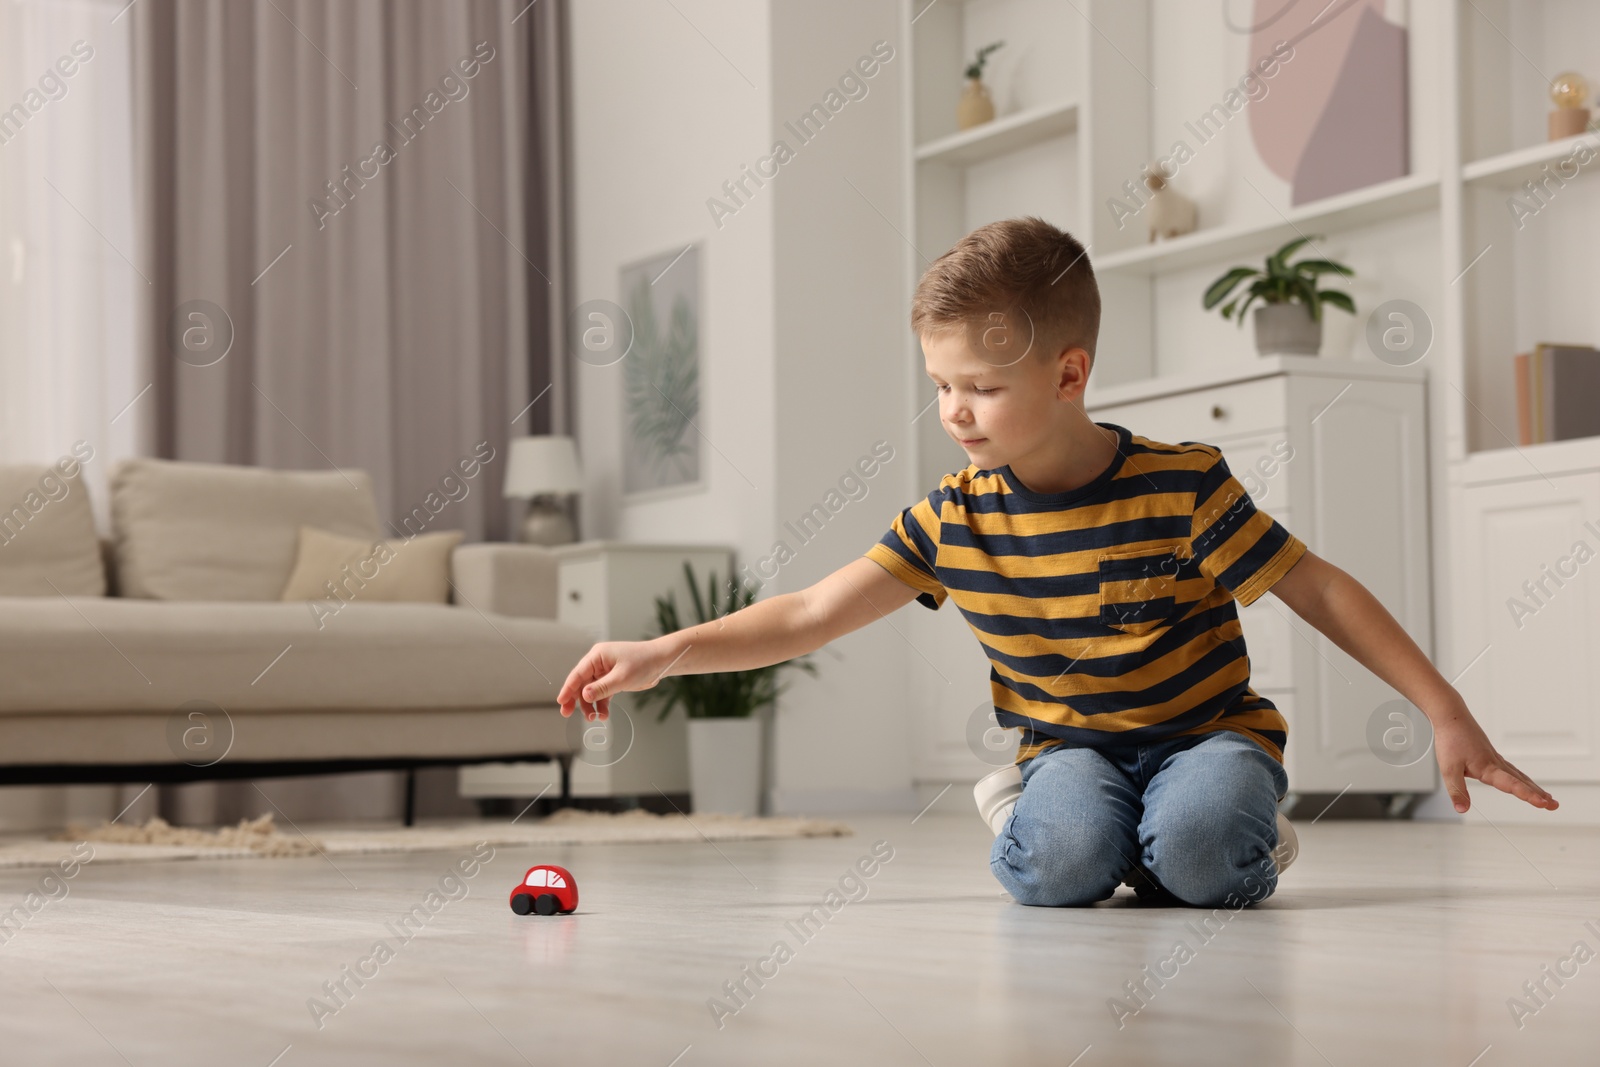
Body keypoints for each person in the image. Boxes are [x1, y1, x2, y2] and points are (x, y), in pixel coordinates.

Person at [555, 215, 1558, 909]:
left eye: (980, 387)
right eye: (941, 385)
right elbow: (814, 610)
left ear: (1068, 373)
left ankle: (1232, 829)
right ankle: (1057, 811)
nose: (953, 412)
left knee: (1204, 858)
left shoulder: (1181, 485)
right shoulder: (953, 518)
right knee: (1061, 871)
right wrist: (665, 650)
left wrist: (1443, 708)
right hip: (1068, 746)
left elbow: (1317, 585)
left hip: (1207, 733)